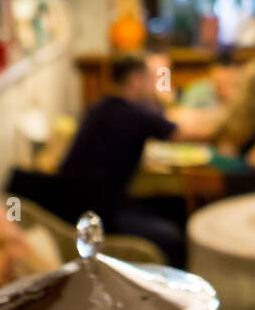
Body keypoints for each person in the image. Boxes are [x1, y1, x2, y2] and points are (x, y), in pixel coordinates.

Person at [59, 55, 212, 264]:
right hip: (99, 214)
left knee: (173, 206)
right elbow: (185, 133)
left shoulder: (104, 106)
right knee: (174, 236)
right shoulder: (132, 113)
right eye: (150, 79)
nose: (153, 86)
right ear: (136, 80)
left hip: (81, 202)